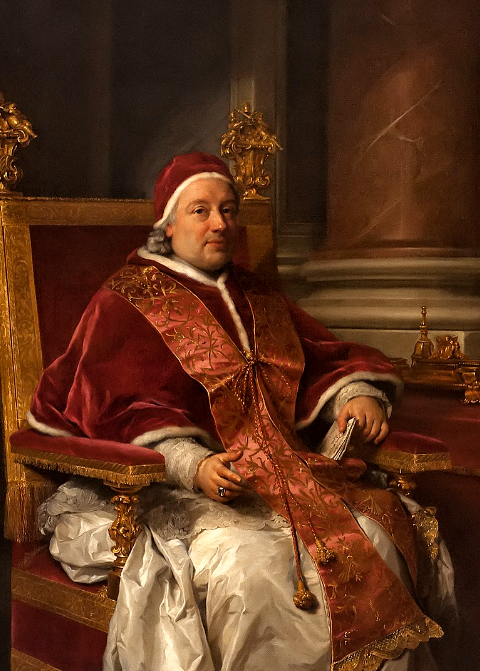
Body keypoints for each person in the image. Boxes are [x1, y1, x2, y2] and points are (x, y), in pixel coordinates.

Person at [30, 152, 453, 671]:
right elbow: (113, 406)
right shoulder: (125, 301)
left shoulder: (256, 294)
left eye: (228, 210)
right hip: (176, 490)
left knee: (378, 538)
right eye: (201, 210)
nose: (220, 224)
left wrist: (354, 395)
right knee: (248, 571)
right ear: (168, 223)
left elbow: (320, 358)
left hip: (284, 475)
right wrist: (192, 463)